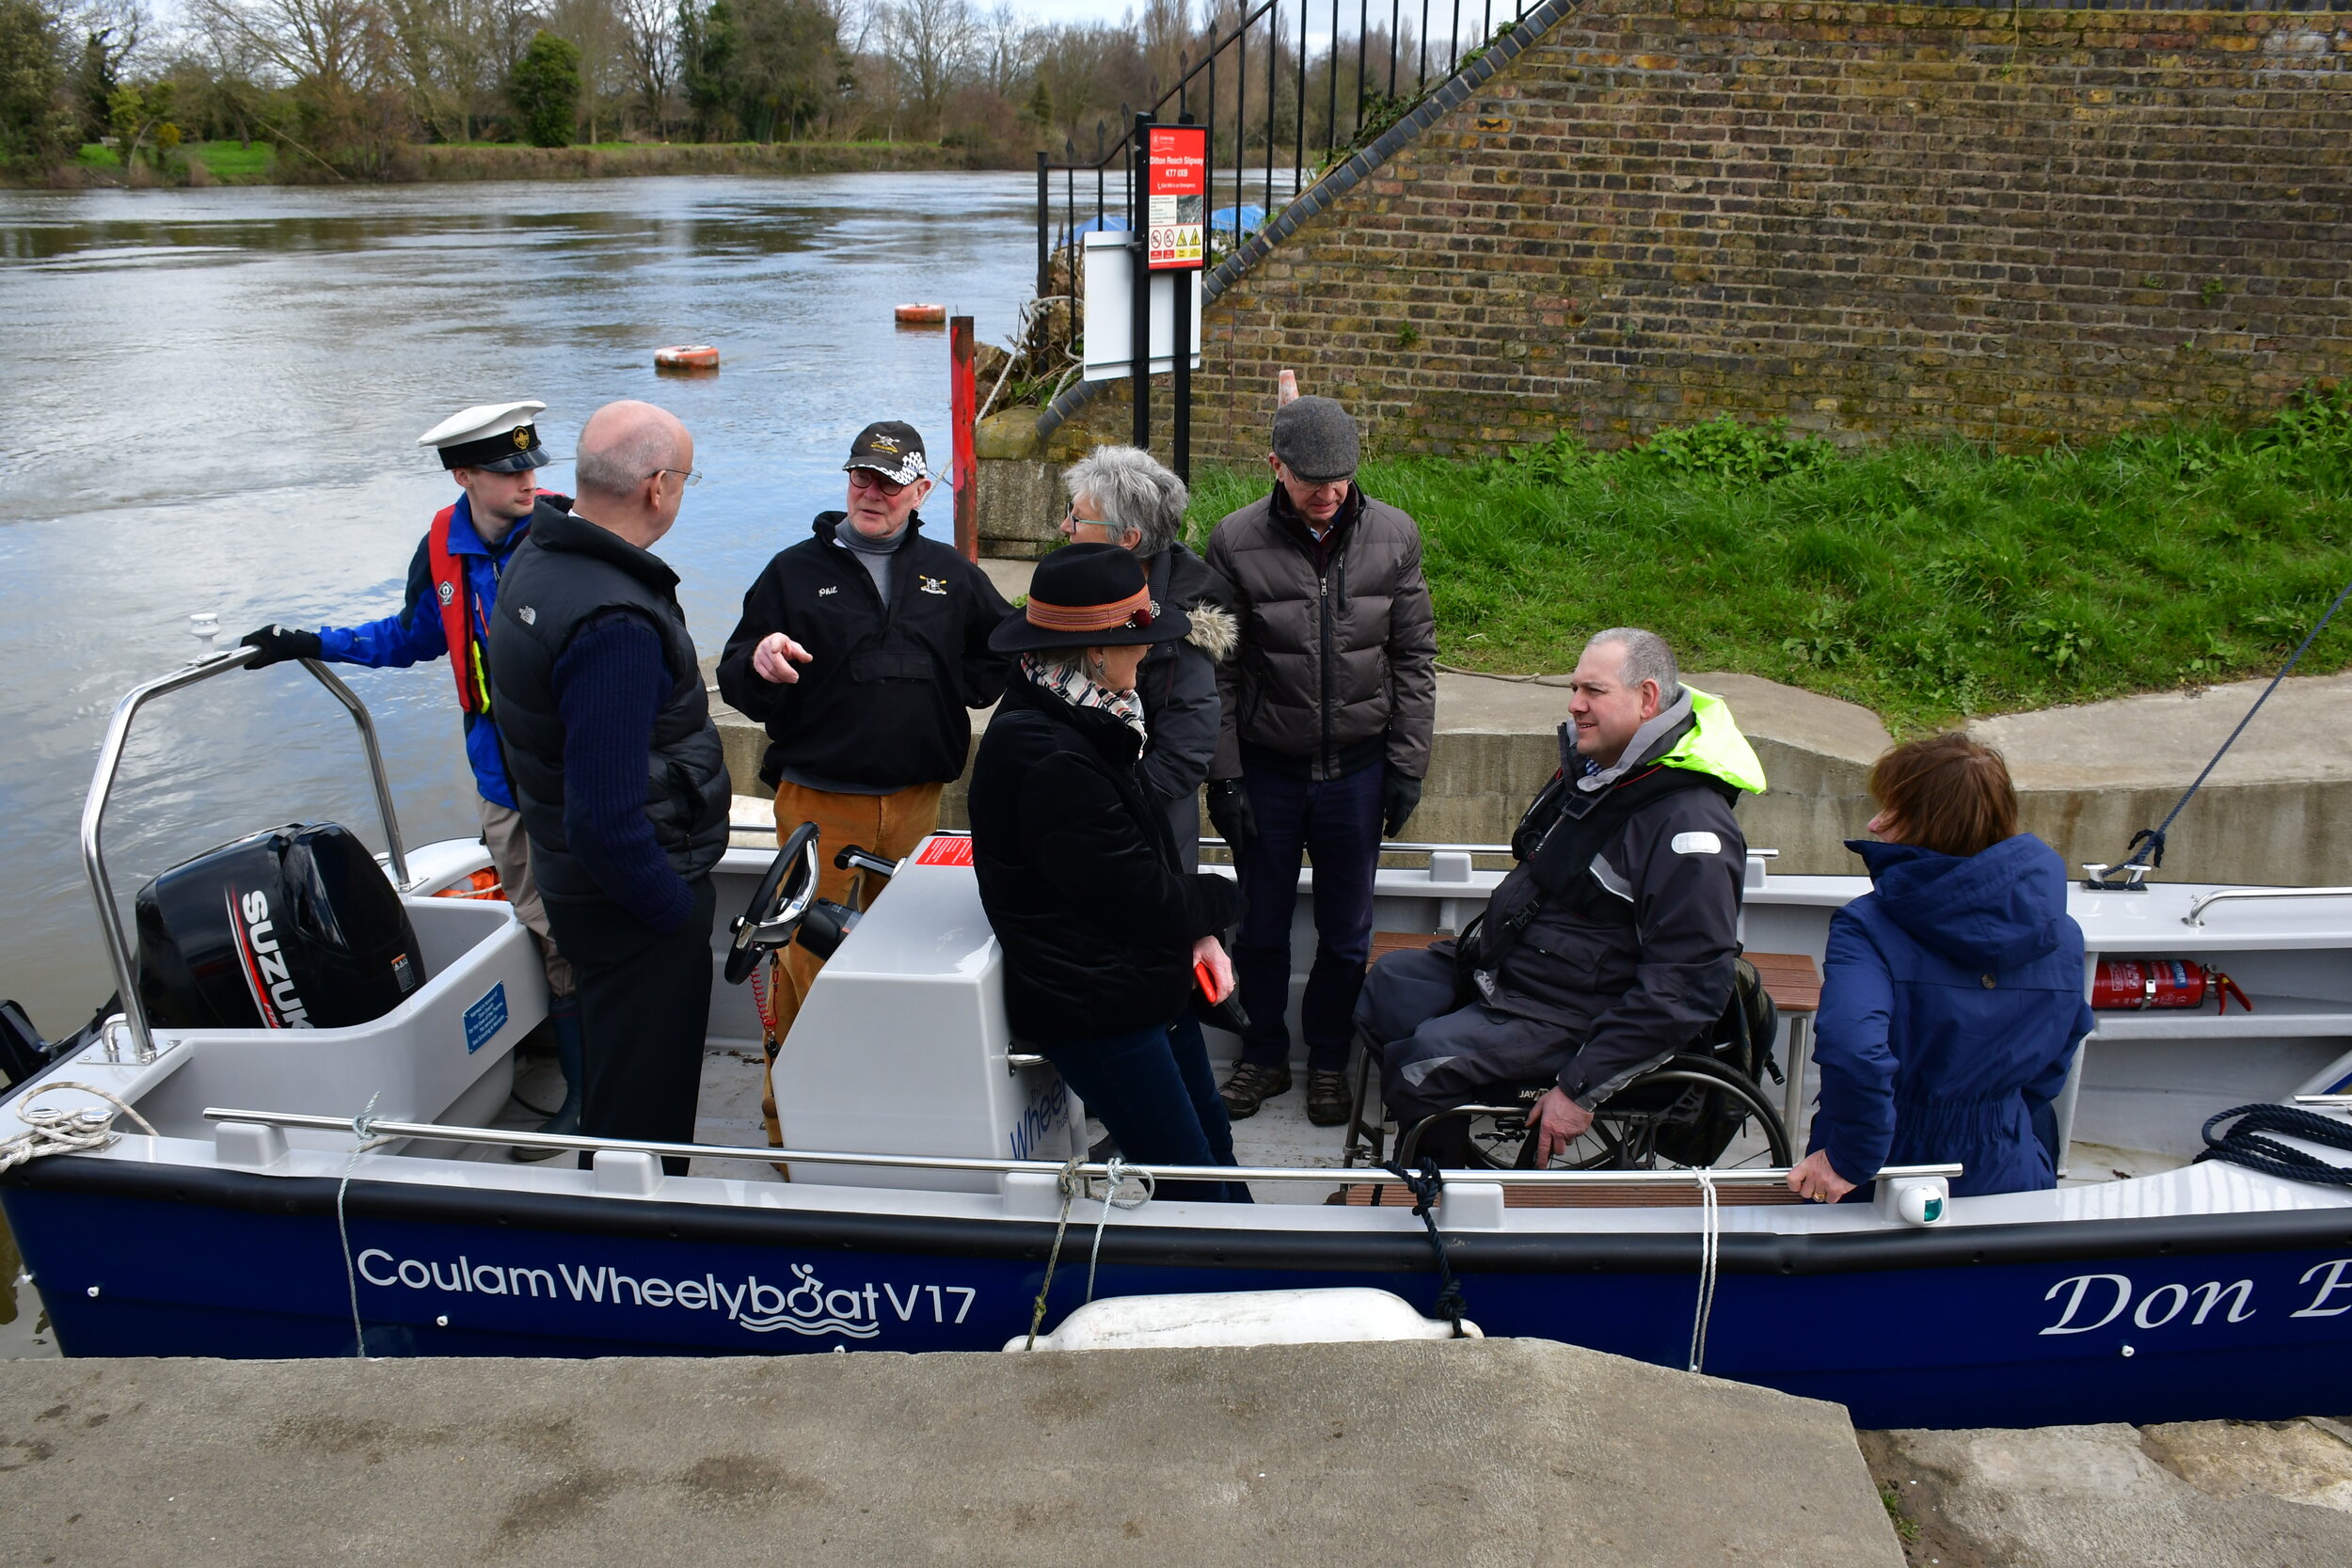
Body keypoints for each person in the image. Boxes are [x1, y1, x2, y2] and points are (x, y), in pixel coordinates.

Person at [237, 401, 584, 1153]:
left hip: (578, 764)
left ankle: (601, 1080)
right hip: (503, 774)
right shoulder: (441, 551)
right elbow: (411, 636)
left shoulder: (568, 532)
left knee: (594, 912)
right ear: (464, 476)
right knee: (544, 922)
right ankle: (580, 1087)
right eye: (509, 467)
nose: (529, 476)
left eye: (532, 463)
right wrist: (309, 640)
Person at [1356, 628, 1765, 1167]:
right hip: (1516, 967)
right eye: (1574, 689)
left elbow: (1686, 987)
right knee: (1386, 989)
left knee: (1420, 1066)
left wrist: (1578, 1089)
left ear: (1646, 699)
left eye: (1593, 692)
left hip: (1578, 1009)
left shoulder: (1690, 828)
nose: (1575, 706)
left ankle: (1456, 1204)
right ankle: (1449, 1154)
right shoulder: (1603, 773)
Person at [716, 420, 1013, 1147]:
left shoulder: (952, 574)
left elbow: (1002, 649)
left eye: (888, 481)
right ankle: (793, 1128)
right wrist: (759, 659)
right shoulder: (790, 572)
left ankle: (887, 1115)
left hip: (916, 805)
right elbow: (732, 671)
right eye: (860, 477)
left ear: (921, 489)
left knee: (905, 960)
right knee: (806, 967)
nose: (870, 492)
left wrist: (957, 686)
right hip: (819, 805)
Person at [485, 400, 729, 1174]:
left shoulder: (538, 557)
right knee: (645, 1119)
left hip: (574, 888)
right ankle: (642, 1259)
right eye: (684, 478)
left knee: (622, 1081)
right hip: (631, 906)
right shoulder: (615, 619)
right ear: (658, 487)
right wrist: (674, 916)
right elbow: (606, 821)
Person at [967, 544, 1250, 1202]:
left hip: (1143, 983)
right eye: (1139, 640)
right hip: (1098, 1008)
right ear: (1096, 652)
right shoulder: (1049, 755)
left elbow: (1134, 864)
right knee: (1191, 1180)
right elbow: (1139, 897)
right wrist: (1229, 899)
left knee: (1214, 1146)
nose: (1148, 652)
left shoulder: (1086, 714)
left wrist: (1195, 931)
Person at [1201, 395, 1437, 1127]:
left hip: (1361, 773)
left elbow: (1415, 657)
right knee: (1262, 929)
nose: (1329, 494)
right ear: (1275, 467)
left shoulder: (1395, 536)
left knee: (1345, 935)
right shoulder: (1234, 541)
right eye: (1312, 481)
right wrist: (1226, 773)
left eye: (1341, 479)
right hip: (1268, 773)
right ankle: (1263, 1058)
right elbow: (1218, 670)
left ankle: (1329, 1062)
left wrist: (1407, 764)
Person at [1787, 735, 2092, 1204]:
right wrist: (1997, 1116)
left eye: (1894, 809)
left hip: (1888, 1167)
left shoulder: (1868, 925)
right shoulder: (2063, 933)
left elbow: (1854, 1049)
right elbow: (2059, 1051)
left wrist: (1849, 1157)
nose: (1875, 823)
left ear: (1929, 823)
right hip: (2008, 1162)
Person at [1057, 444, 1237, 869]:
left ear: (1128, 539)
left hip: (1145, 839)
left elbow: (1182, 758)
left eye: (1079, 518)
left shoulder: (1182, 626)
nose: (1065, 526)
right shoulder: (1073, 593)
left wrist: (1100, 806)